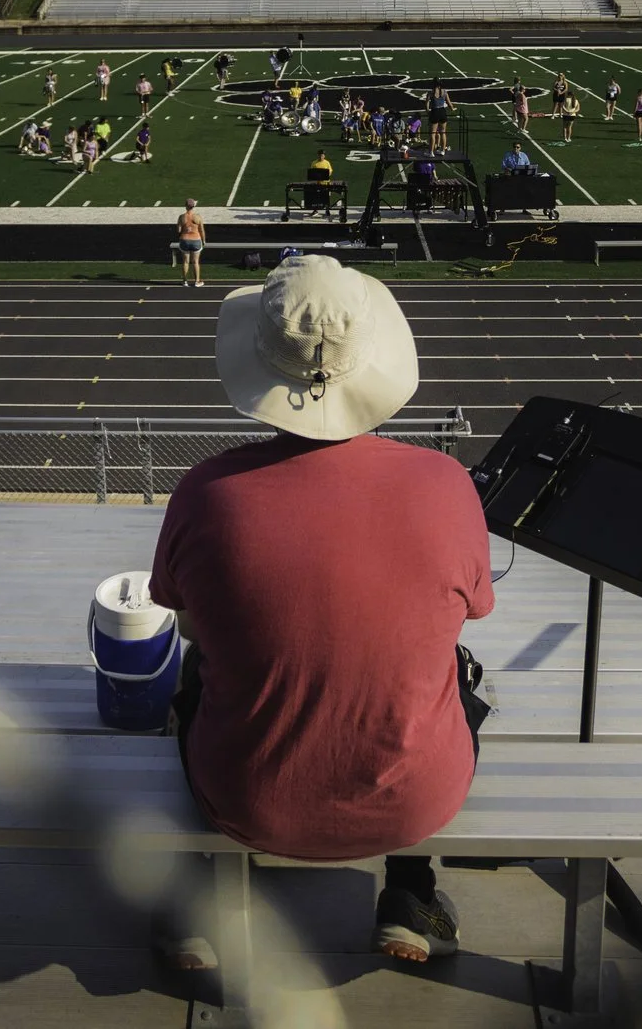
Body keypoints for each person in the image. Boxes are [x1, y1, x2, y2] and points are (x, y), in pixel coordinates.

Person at [149, 255, 491, 964]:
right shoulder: (446, 482)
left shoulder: (205, 493)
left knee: (191, 682)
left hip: (246, 798)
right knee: (449, 676)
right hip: (414, 800)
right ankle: (409, 895)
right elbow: (466, 615)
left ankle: (200, 903)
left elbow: (188, 625)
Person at [173, 197, 205, 286]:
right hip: (196, 240)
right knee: (195, 262)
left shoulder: (181, 217)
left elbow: (178, 230)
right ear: (193, 206)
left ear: (185, 206)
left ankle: (185, 281)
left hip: (184, 240)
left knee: (185, 262)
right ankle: (197, 281)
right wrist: (204, 240)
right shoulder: (198, 217)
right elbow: (202, 230)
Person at [426, 83, 452, 152]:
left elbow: (427, 104)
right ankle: (443, 151)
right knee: (443, 132)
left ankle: (431, 152)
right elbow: (449, 103)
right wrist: (452, 108)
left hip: (435, 112)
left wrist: (428, 111)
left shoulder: (430, 92)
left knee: (432, 133)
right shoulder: (444, 92)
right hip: (442, 112)